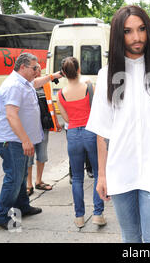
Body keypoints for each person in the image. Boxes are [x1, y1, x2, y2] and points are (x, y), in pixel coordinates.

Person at [86, 5, 150, 243]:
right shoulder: (107, 75)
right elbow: (103, 132)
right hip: (120, 173)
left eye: (141, 29)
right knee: (130, 238)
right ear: (118, 35)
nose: (137, 37)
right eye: (128, 31)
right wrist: (102, 175)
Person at [0, 53, 62, 230]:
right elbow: (11, 115)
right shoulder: (14, 85)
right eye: (34, 68)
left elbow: (37, 82)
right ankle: (1, 216)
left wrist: (54, 76)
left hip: (18, 140)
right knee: (14, 179)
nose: (37, 70)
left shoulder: (24, 82)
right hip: (12, 141)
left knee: (21, 176)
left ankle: (23, 206)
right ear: (22, 67)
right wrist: (25, 140)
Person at [57, 57, 106, 228]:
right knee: (99, 173)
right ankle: (98, 214)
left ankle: (79, 217)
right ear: (78, 69)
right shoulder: (88, 87)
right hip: (91, 132)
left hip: (73, 135)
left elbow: (66, 118)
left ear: (63, 73)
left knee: (77, 177)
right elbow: (98, 108)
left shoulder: (60, 94)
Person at [27, 64, 61, 196]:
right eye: (36, 70)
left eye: (40, 70)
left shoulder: (46, 85)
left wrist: (56, 122)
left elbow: (50, 104)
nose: (39, 73)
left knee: (42, 154)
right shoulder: (28, 85)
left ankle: (38, 181)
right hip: (30, 128)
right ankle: (28, 184)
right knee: (29, 156)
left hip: (44, 126)